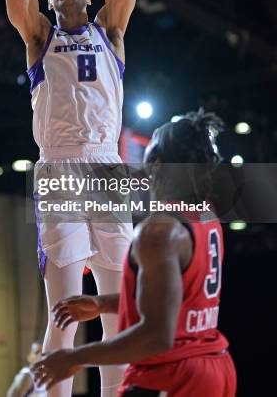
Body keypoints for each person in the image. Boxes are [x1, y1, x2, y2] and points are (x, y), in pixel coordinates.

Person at [3, 0, 136, 397]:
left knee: (118, 308)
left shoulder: (112, 30)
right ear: (52, 0)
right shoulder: (38, 36)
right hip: (59, 165)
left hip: (107, 162)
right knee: (65, 314)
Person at [32, 110, 237, 396]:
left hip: (174, 376)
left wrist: (75, 358)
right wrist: (102, 303)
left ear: (156, 164)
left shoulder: (159, 232)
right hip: (216, 365)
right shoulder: (207, 217)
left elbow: (156, 335)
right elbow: (172, 302)